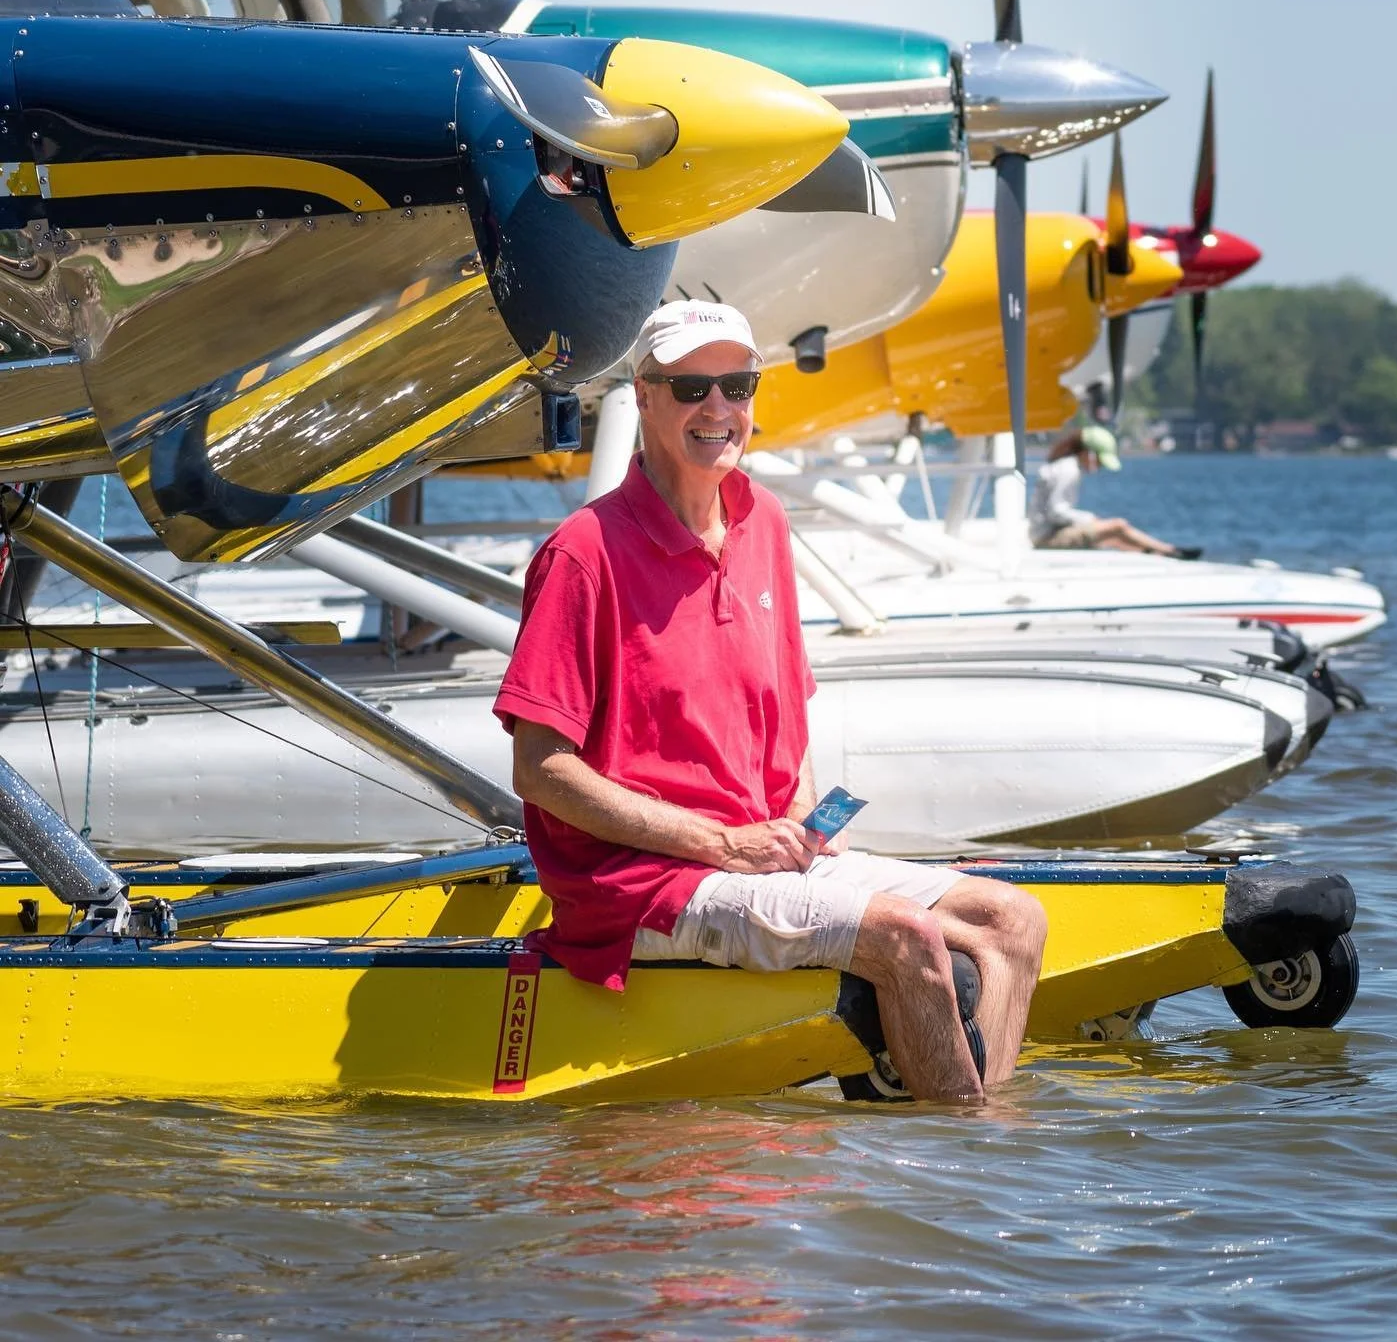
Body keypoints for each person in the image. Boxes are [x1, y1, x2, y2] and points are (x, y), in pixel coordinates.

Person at [494, 299, 1046, 1104]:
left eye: (737, 385)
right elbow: (540, 772)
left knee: (1013, 920)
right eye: (690, 387)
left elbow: (786, 715)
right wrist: (722, 843)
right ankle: (961, 1158)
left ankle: (982, 1169)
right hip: (643, 887)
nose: (718, 409)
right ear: (642, 396)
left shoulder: (764, 521)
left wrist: (804, 825)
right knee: (908, 935)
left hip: (753, 855)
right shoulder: (582, 553)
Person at [1030, 426, 1201, 556]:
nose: (1099, 466)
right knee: (1119, 526)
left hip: (1044, 534)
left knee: (1111, 537)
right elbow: (1055, 512)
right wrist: (1089, 518)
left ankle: (1154, 552)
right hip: (1046, 538)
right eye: (1099, 461)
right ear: (1089, 453)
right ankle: (1170, 551)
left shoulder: (1065, 466)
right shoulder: (1069, 470)